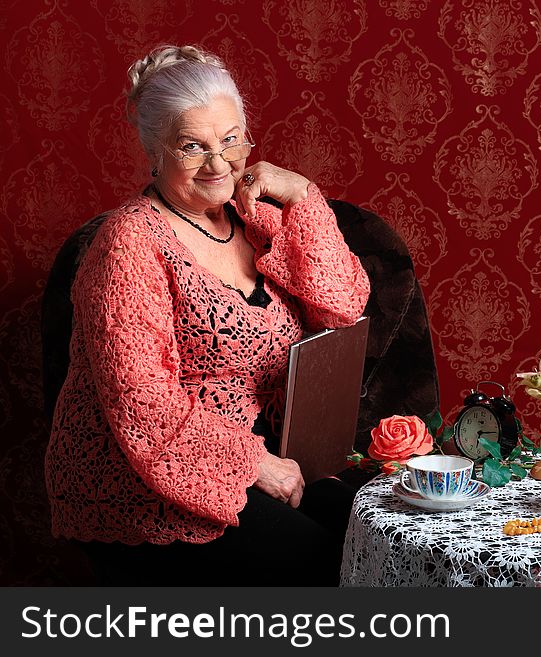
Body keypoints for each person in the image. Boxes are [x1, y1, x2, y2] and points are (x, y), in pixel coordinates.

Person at [43, 45, 371, 586]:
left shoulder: (253, 218)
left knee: (377, 540)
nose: (219, 165)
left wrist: (304, 197)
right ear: (155, 150)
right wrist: (255, 466)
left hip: (265, 455)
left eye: (231, 139)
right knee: (326, 565)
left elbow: (343, 306)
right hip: (143, 481)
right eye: (192, 147)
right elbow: (141, 404)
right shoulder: (127, 244)